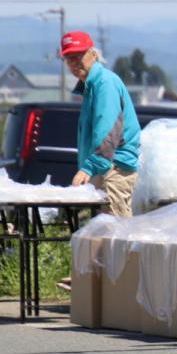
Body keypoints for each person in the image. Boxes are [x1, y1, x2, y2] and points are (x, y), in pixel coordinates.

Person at [60, 30, 140, 217]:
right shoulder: (91, 85)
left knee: (115, 236)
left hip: (113, 169)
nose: (74, 62)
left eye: (79, 55)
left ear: (93, 54)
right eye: (69, 58)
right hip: (106, 167)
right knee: (104, 237)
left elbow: (109, 130)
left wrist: (89, 166)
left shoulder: (104, 83)